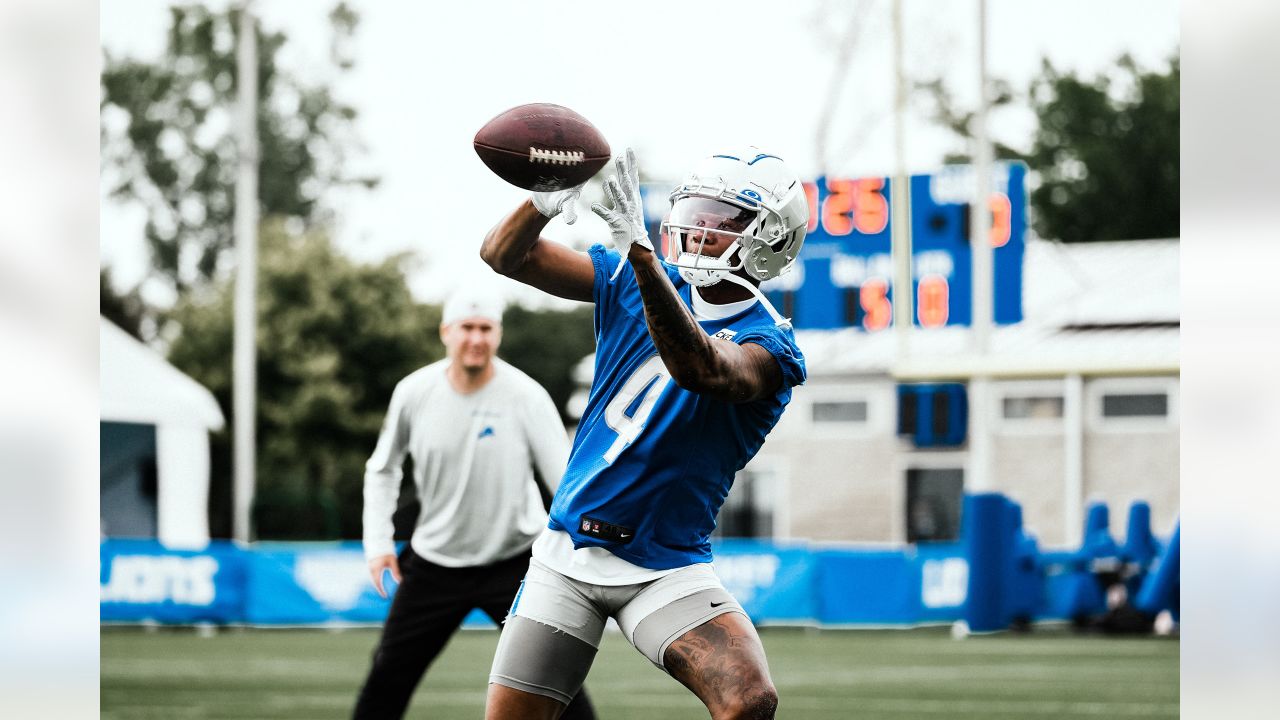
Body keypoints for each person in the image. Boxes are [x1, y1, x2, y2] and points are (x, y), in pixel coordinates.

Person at [480, 147, 808, 720]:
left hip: (664, 567)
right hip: (566, 557)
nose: (701, 227)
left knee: (748, 700)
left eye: (723, 218)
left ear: (772, 239)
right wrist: (539, 202)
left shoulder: (773, 347)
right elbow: (505, 255)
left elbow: (701, 367)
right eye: (698, 210)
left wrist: (641, 255)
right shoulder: (632, 277)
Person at [352, 290, 596, 720]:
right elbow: (382, 469)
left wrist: (580, 547)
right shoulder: (414, 392)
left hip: (516, 562)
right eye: (466, 328)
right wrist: (378, 544)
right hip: (433, 564)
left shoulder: (525, 395)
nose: (476, 338)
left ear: (498, 334)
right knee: (386, 679)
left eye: (485, 328)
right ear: (447, 332)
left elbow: (564, 481)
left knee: (557, 681)